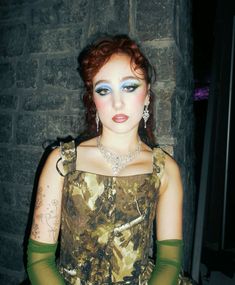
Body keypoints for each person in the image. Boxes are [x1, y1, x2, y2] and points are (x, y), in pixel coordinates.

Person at [27, 34, 183, 285]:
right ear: (94, 99)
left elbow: (169, 263)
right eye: (104, 89)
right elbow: (39, 261)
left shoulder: (165, 170)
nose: (117, 102)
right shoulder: (62, 163)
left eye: (129, 86)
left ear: (147, 95)